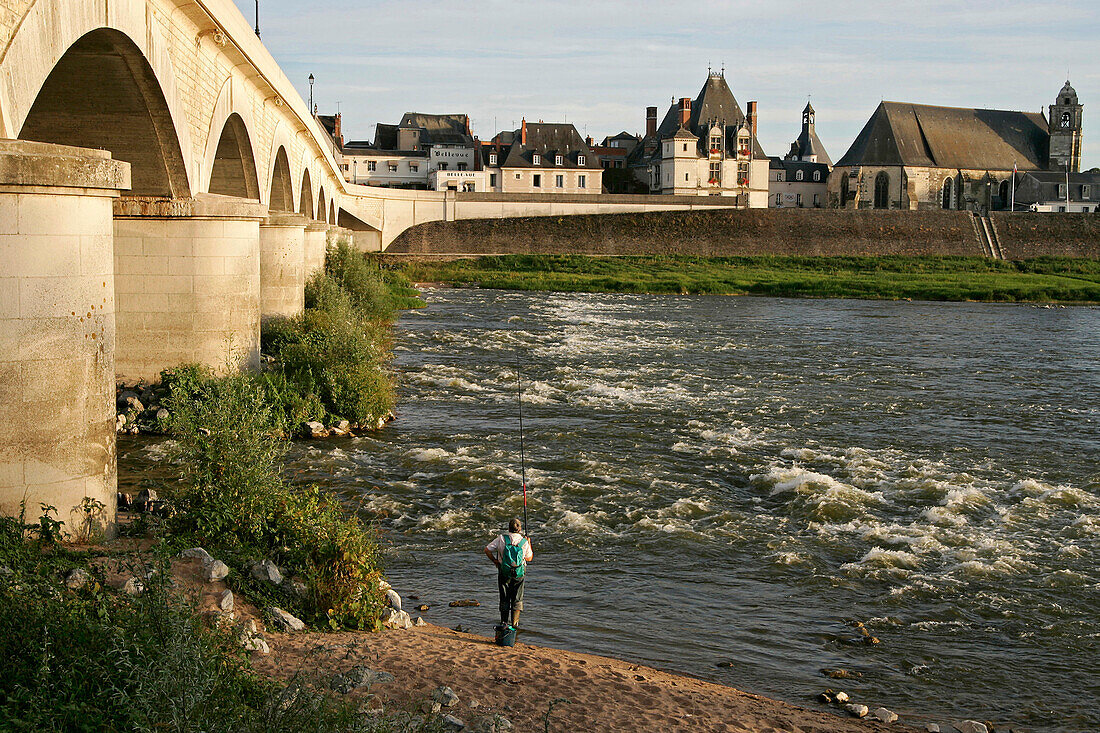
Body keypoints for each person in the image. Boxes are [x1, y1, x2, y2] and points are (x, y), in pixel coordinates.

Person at [484, 518, 533, 628]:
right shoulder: (524, 542)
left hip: (504, 571)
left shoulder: (501, 538)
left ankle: (504, 623)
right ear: (519, 529)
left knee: (504, 597)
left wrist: (495, 561)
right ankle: (515, 624)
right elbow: (529, 558)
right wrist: (529, 544)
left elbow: (487, 550)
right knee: (517, 598)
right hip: (519, 573)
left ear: (509, 528)